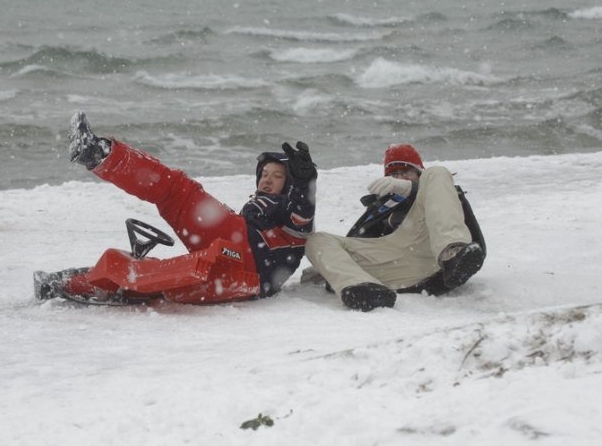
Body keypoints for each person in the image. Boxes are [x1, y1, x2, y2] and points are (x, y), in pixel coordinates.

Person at [34, 111, 317, 304]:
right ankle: (62, 283)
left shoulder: (288, 211)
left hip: (246, 261)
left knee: (176, 191)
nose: (267, 179)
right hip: (237, 279)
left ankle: (98, 153)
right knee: (149, 278)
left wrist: (305, 183)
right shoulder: (260, 211)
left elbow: (302, 216)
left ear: (290, 184)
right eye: (264, 174)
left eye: (277, 175)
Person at [303, 143, 485, 312]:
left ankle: (452, 253)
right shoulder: (381, 207)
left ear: (419, 174)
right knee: (317, 239)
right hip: (392, 265)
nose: (400, 177)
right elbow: (355, 241)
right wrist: (327, 265)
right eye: (394, 173)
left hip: (429, 252)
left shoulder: (439, 190)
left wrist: (412, 190)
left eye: (406, 171)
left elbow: (475, 241)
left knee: (437, 172)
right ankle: (361, 287)